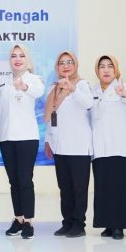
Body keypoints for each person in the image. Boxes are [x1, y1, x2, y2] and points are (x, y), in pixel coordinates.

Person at [0, 44, 44, 240]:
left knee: (25, 180)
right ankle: (18, 219)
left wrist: (25, 87)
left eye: (21, 55)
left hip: (27, 138)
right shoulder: (3, 82)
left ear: (27, 59)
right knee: (13, 181)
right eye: (14, 56)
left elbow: (39, 91)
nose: (17, 59)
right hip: (6, 138)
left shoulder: (34, 79)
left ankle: (29, 221)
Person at [90, 55, 126, 240]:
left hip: (121, 147)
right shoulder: (92, 90)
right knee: (104, 188)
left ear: (115, 69)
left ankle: (119, 225)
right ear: (97, 70)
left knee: (121, 187)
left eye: (110, 66)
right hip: (100, 148)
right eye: (102, 66)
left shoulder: (122, 86)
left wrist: (124, 94)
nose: (106, 70)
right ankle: (108, 224)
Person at [44, 51, 94, 238]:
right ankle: (67, 222)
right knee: (64, 187)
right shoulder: (53, 88)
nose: (66, 66)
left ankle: (79, 224)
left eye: (69, 62)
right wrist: (48, 139)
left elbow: (89, 103)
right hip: (60, 144)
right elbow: (51, 116)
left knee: (79, 188)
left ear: (76, 65)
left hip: (79, 145)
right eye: (61, 63)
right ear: (57, 67)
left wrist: (72, 89)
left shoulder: (82, 85)